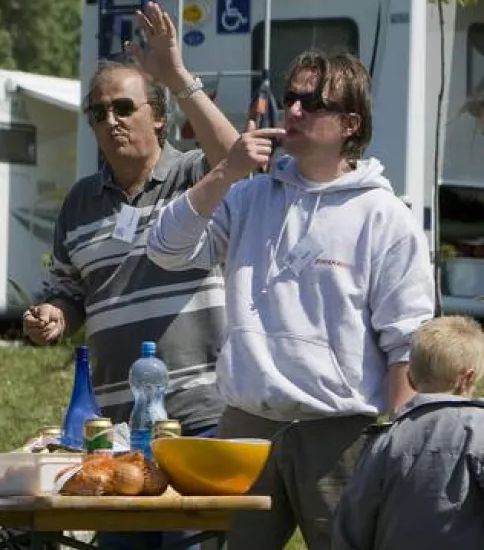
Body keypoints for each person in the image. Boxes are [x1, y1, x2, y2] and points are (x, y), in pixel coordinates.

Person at [146, 49, 434, 550]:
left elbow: (406, 342)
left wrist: (400, 445)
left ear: (350, 124)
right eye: (290, 98)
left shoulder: (385, 216)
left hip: (340, 431)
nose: (294, 110)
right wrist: (225, 172)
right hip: (245, 425)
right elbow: (164, 249)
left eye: (312, 102)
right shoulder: (250, 195)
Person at [22, 3, 241, 549]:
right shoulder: (80, 203)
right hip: (118, 428)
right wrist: (53, 316)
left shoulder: (194, 173)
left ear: (159, 117)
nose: (111, 121)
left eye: (124, 107)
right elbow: (69, 292)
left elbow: (237, 158)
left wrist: (178, 75)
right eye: (98, 113)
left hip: (198, 416)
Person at [332, 315, 484, 550]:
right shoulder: (479, 431)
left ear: (410, 376)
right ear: (468, 377)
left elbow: (354, 521)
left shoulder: (386, 438)